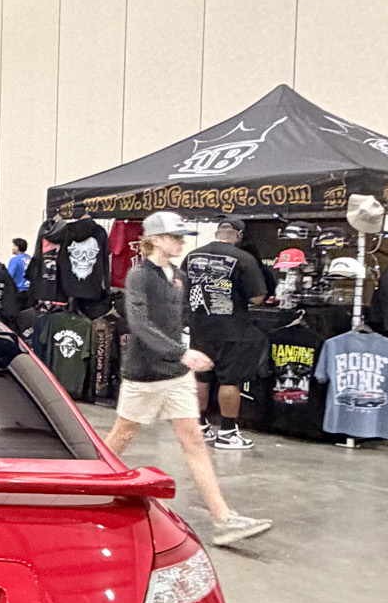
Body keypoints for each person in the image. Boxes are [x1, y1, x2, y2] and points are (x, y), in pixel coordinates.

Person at [104, 212, 271, 548]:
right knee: (122, 436)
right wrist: (181, 352)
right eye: (174, 237)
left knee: (193, 440)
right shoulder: (139, 275)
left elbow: (180, 317)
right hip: (144, 374)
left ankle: (223, 518)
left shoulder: (179, 276)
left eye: (182, 237)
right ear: (154, 239)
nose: (181, 243)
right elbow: (139, 323)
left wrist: (183, 351)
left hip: (176, 374)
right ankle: (82, 486)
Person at [182, 218, 268, 450]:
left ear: (217, 232)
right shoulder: (243, 258)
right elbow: (256, 297)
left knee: (201, 377)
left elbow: (182, 289)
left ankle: (200, 427)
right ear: (238, 234)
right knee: (229, 380)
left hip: (199, 326)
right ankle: (227, 432)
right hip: (231, 329)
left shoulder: (192, 256)